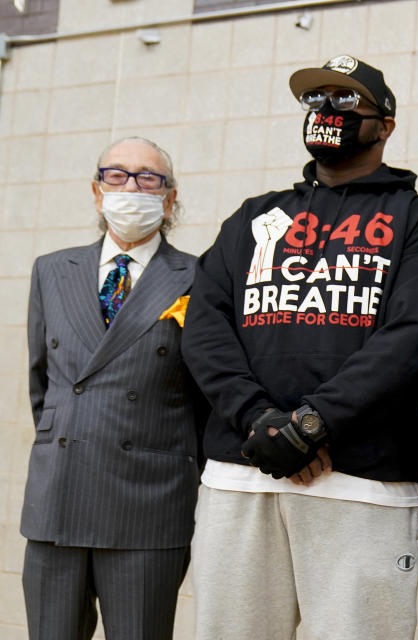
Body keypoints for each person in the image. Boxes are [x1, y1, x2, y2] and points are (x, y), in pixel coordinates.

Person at [181, 55, 418, 640]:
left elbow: (409, 339)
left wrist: (310, 424)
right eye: (316, 100)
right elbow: (205, 325)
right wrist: (259, 419)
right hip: (240, 473)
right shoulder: (252, 218)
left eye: (347, 101)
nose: (327, 111)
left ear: (386, 124)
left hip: (362, 482)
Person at [22, 137, 205, 640]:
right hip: (57, 496)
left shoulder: (200, 276)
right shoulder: (52, 270)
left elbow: (206, 399)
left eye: (149, 177)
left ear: (169, 199)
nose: (132, 186)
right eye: (117, 174)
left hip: (150, 502)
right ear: (97, 189)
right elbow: (43, 385)